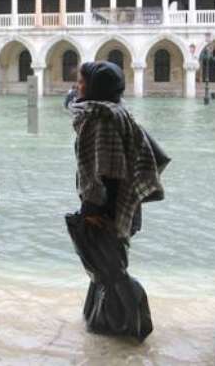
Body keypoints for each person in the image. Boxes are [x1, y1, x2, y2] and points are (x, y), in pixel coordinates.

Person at [65, 61, 170, 342]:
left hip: (109, 207)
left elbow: (108, 170)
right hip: (123, 204)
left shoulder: (101, 118)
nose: (78, 86)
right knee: (106, 266)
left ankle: (126, 325)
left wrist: (93, 211)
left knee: (111, 270)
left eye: (82, 82)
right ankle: (103, 320)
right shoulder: (116, 111)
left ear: (96, 87)